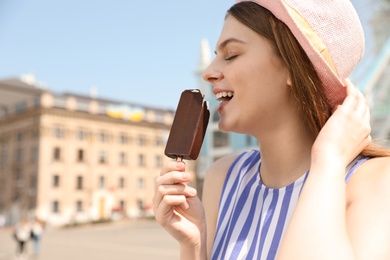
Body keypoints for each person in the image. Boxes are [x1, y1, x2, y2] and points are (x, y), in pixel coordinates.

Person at [153, 0, 390, 259]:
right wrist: (194, 245)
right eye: (215, 57)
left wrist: (328, 163)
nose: (209, 73)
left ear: (295, 64)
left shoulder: (377, 182)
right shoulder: (223, 177)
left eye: (231, 54)